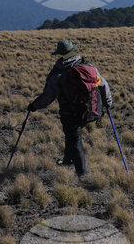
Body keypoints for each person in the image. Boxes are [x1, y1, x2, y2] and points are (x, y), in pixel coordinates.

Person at [27, 40, 113, 177]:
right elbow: (104, 85)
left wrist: (34, 106)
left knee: (74, 141)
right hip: (89, 109)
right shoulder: (89, 67)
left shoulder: (58, 74)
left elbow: (48, 97)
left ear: (61, 54)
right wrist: (107, 103)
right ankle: (68, 160)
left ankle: (83, 174)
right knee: (72, 136)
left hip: (69, 112)